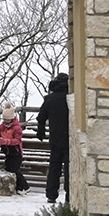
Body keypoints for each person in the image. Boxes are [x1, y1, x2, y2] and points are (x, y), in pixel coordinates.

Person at [36, 73, 70, 204]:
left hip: (55, 138)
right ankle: (69, 194)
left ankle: (51, 194)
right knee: (69, 168)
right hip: (69, 138)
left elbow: (41, 117)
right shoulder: (71, 98)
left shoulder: (49, 99)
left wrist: (41, 132)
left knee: (54, 167)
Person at [0, 102, 30, 194]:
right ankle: (18, 187)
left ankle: (24, 187)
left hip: (16, 152)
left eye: (7, 120)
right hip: (7, 152)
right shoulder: (2, 127)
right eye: (4, 119)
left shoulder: (17, 128)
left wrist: (6, 141)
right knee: (9, 168)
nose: (6, 121)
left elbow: (17, 140)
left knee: (15, 170)